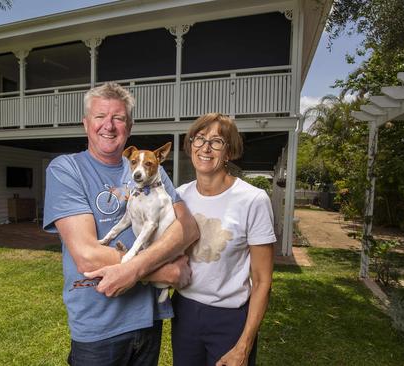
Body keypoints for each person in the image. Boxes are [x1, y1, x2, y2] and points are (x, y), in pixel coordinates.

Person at [43, 82, 199, 366]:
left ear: (129, 126)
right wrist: (161, 270)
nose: (109, 126)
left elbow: (188, 228)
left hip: (148, 320)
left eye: (118, 118)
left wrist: (134, 268)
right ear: (86, 123)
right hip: (98, 326)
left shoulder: (153, 169)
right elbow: (88, 257)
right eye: (100, 116)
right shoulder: (67, 169)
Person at [172, 113, 275, 366]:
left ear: (228, 153)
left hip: (230, 318)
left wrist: (244, 345)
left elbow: (262, 280)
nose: (206, 147)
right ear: (190, 145)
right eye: (199, 139)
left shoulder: (253, 200)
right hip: (184, 312)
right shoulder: (178, 196)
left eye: (217, 141)